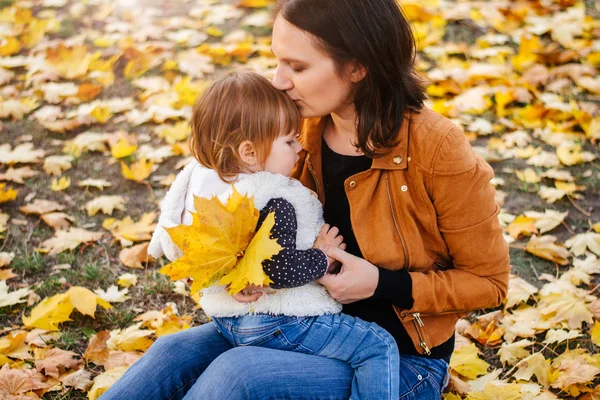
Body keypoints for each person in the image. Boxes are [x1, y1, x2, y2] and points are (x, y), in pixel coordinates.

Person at [101, 0, 510, 398]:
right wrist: (230, 273)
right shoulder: (298, 133)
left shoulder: (437, 149)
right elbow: (243, 216)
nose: (278, 80)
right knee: (172, 352)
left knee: (240, 373)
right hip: (295, 321)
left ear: (357, 66)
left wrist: (381, 284)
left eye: (297, 67)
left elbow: (489, 282)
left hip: (395, 361)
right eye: (278, 60)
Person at [103, 71, 401, 400]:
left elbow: (172, 240)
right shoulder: (275, 197)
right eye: (289, 141)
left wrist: (222, 277)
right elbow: (277, 269)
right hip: (281, 320)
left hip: (226, 316)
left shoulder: (197, 180)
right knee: (378, 345)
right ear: (249, 152)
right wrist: (323, 256)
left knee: (174, 349)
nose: (300, 147)